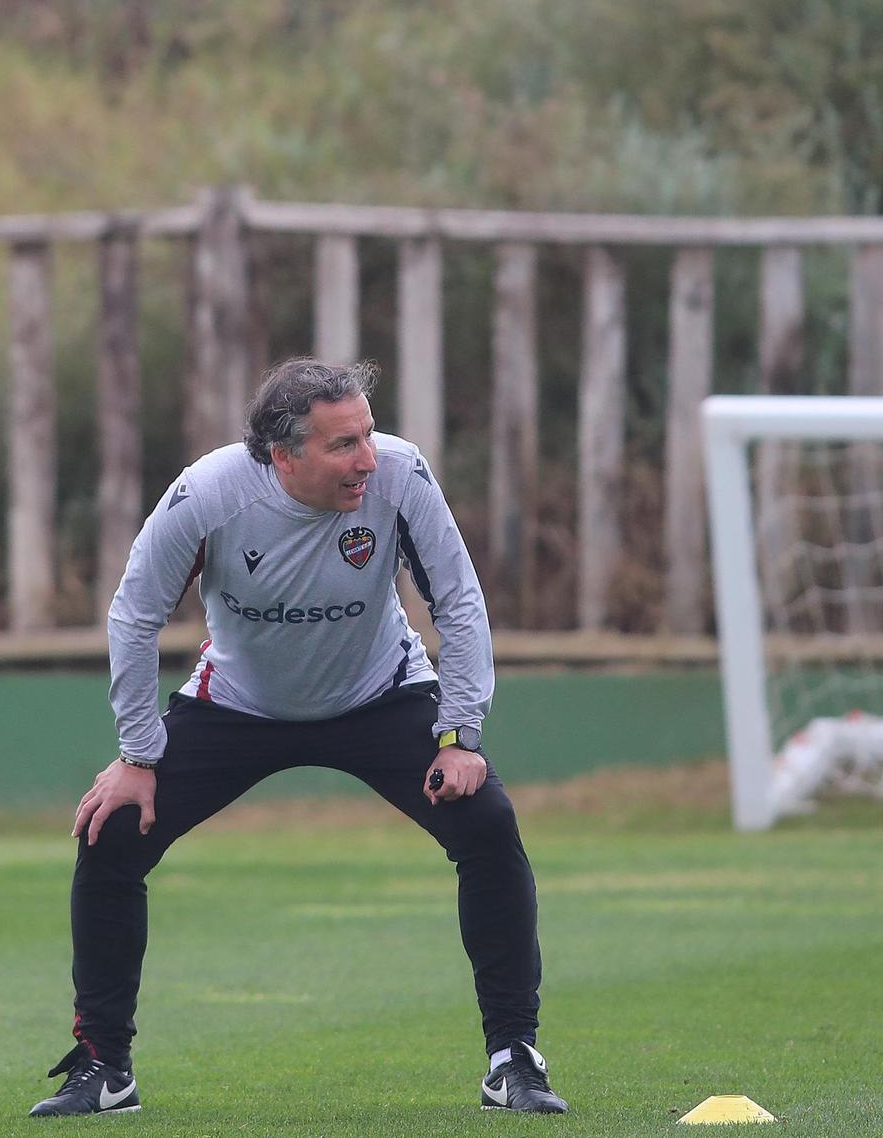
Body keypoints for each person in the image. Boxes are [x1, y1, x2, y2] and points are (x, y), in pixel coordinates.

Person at [30, 357, 566, 1118]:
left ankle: (513, 1057)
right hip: (240, 705)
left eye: (368, 435)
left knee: (487, 823)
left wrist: (460, 735)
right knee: (112, 828)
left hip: (379, 693)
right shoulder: (210, 494)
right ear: (283, 455)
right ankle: (103, 1067)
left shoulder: (401, 477)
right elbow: (134, 614)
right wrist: (139, 754)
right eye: (343, 444)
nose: (367, 459)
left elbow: (458, 599)